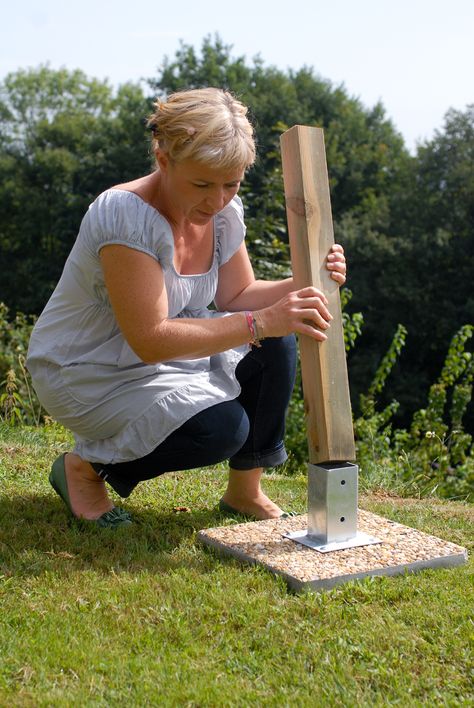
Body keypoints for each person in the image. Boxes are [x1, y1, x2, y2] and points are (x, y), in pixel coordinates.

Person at [26, 88, 346, 528]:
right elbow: (150, 339)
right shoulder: (124, 215)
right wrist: (262, 321)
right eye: (201, 184)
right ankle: (86, 470)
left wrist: (309, 281)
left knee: (276, 343)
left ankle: (244, 492)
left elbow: (239, 294)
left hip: (158, 359)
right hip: (87, 369)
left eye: (230, 184)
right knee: (220, 430)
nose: (217, 200)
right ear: (163, 159)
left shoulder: (224, 212)